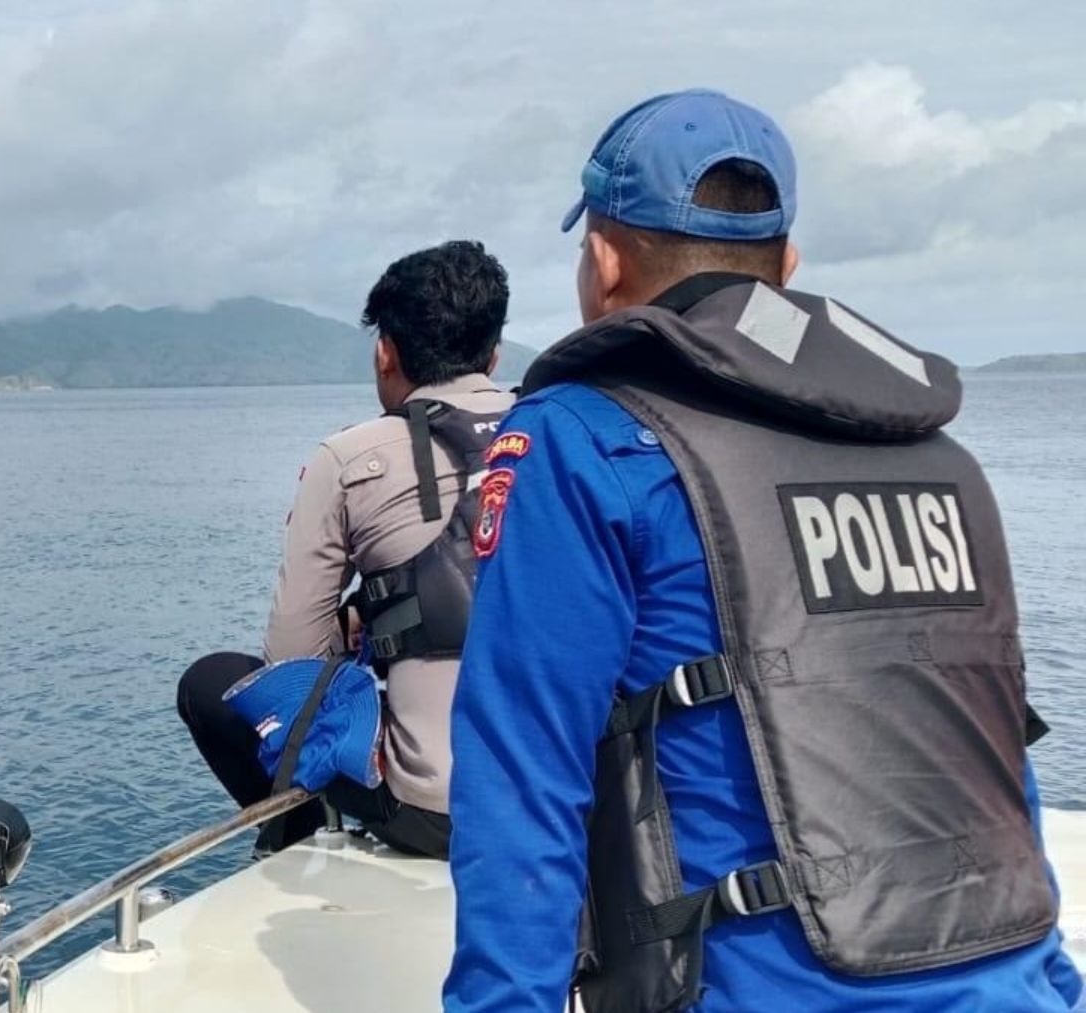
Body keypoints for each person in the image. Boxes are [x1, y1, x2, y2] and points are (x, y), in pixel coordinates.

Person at [444, 90, 1081, 1012]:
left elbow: (520, 777)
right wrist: (1053, 978)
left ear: (604, 262)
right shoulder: (943, 461)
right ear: (787, 265)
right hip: (1018, 985)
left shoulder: (582, 441)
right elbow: (995, 755)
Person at [176, 240, 516, 860]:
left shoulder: (350, 458)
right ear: (494, 356)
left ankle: (297, 844)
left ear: (386, 353)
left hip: (436, 814)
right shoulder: (560, 433)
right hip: (572, 800)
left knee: (211, 682)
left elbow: (291, 665)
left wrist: (373, 628)